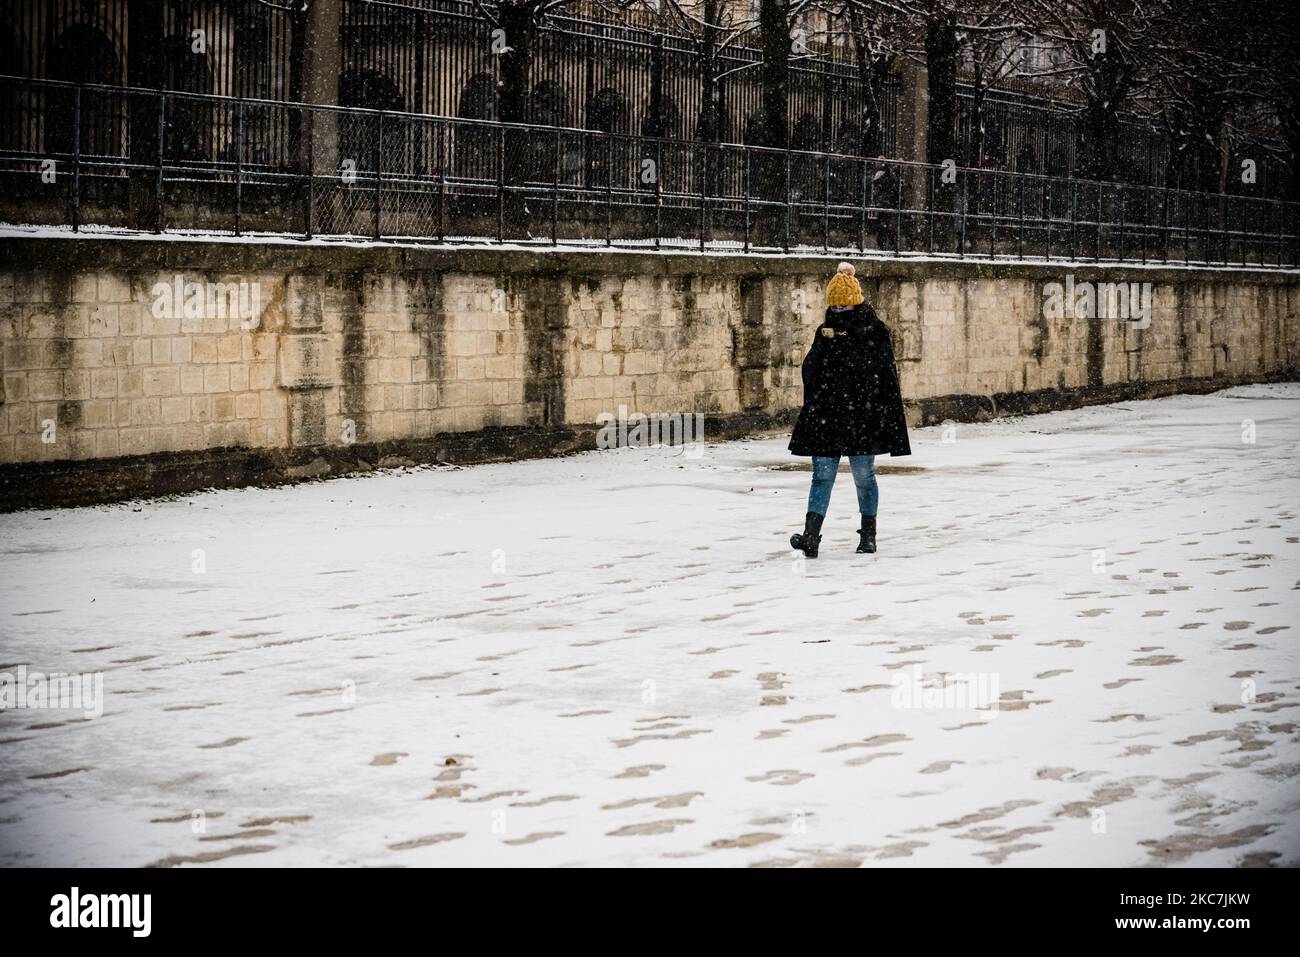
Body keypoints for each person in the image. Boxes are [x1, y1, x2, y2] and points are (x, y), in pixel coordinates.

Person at [788, 263, 911, 558]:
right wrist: (827, 351)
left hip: (861, 416)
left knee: (863, 476)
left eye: (844, 302)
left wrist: (847, 351)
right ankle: (811, 536)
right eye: (835, 303)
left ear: (854, 300)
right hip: (827, 415)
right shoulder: (825, 330)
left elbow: (880, 374)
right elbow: (811, 369)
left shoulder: (873, 330)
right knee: (821, 476)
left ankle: (868, 534)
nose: (839, 307)